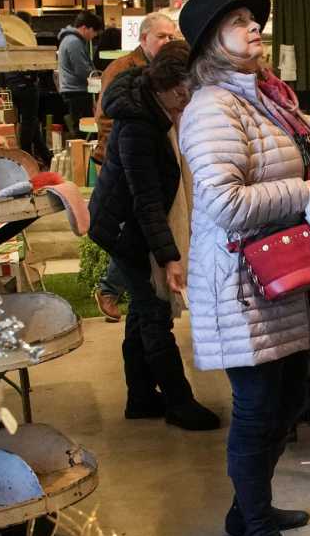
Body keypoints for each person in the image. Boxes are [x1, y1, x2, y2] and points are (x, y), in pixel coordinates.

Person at [179, 0, 310, 536]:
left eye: (254, 21)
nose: (255, 29)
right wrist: (305, 192)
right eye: (239, 22)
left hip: (272, 276)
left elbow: (270, 173)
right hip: (238, 284)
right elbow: (223, 202)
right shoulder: (211, 109)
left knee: (288, 397)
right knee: (257, 409)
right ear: (210, 43)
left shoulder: (262, 101)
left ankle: (246, 508)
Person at [87, 42, 220, 433]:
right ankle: (179, 401)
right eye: (181, 90)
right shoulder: (138, 125)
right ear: (164, 85)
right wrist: (170, 256)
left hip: (131, 222)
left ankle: (141, 397)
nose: (186, 98)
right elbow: (146, 200)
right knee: (154, 312)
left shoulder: (156, 109)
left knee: (142, 313)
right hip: (124, 228)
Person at [93, 9, 180, 322]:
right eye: (162, 36)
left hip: (146, 160)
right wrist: (116, 154)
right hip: (123, 163)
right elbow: (105, 120)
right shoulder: (122, 70)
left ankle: (125, 294)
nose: (167, 41)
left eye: (172, 36)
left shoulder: (166, 70)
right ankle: (109, 289)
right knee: (136, 228)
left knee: (145, 229)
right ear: (144, 39)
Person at [55, 9, 102, 146]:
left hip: (74, 90)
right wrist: (98, 80)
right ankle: (82, 160)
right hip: (76, 91)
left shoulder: (71, 40)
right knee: (82, 131)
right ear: (84, 28)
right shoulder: (74, 42)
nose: (93, 36)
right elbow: (82, 70)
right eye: (93, 32)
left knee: (81, 129)